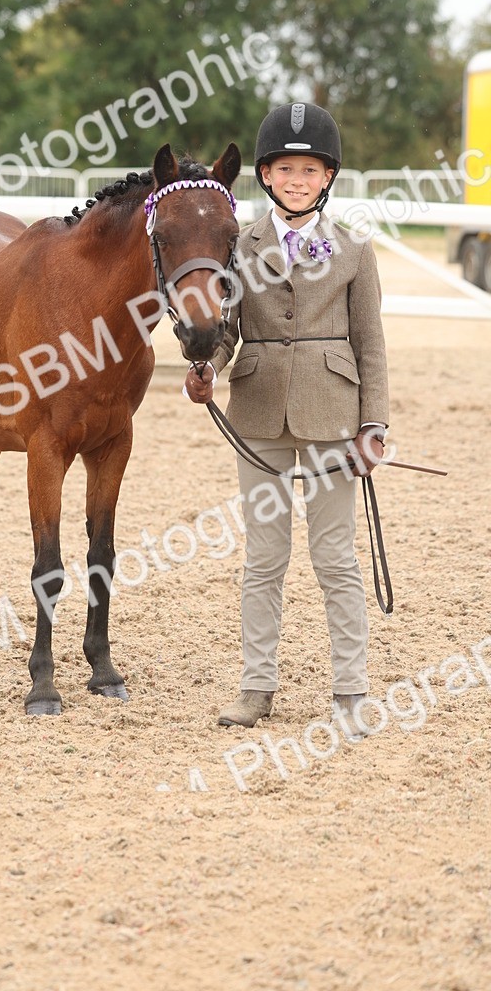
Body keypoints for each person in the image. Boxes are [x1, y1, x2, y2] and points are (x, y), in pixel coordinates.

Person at [184, 102, 389, 741]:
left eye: (309, 169)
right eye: (283, 169)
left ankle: (350, 688)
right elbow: (228, 329)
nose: (297, 179)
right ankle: (256, 685)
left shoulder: (354, 249)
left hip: (334, 411)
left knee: (334, 557)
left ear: (327, 177)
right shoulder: (240, 246)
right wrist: (208, 366)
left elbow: (371, 341)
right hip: (258, 411)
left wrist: (374, 422)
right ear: (266, 176)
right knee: (264, 559)